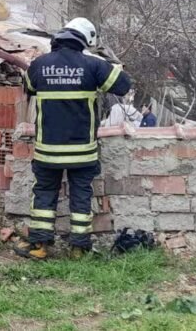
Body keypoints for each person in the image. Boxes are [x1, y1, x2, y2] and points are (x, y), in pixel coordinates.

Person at [14, 17, 132, 260]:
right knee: (81, 196)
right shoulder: (93, 66)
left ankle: (40, 246)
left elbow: (28, 88)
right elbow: (123, 86)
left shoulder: (39, 65)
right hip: (82, 151)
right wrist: (103, 62)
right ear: (85, 41)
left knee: (45, 193)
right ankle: (78, 249)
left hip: (47, 150)